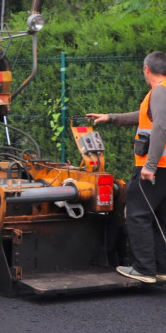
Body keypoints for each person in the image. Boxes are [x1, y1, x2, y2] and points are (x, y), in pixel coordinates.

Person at [87, 51, 166, 284]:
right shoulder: (162, 92)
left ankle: (143, 269)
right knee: (160, 217)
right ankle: (161, 268)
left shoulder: (160, 91)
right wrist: (110, 117)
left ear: (146, 69)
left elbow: (161, 127)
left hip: (155, 166)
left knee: (138, 214)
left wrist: (149, 165)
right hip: (164, 168)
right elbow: (144, 116)